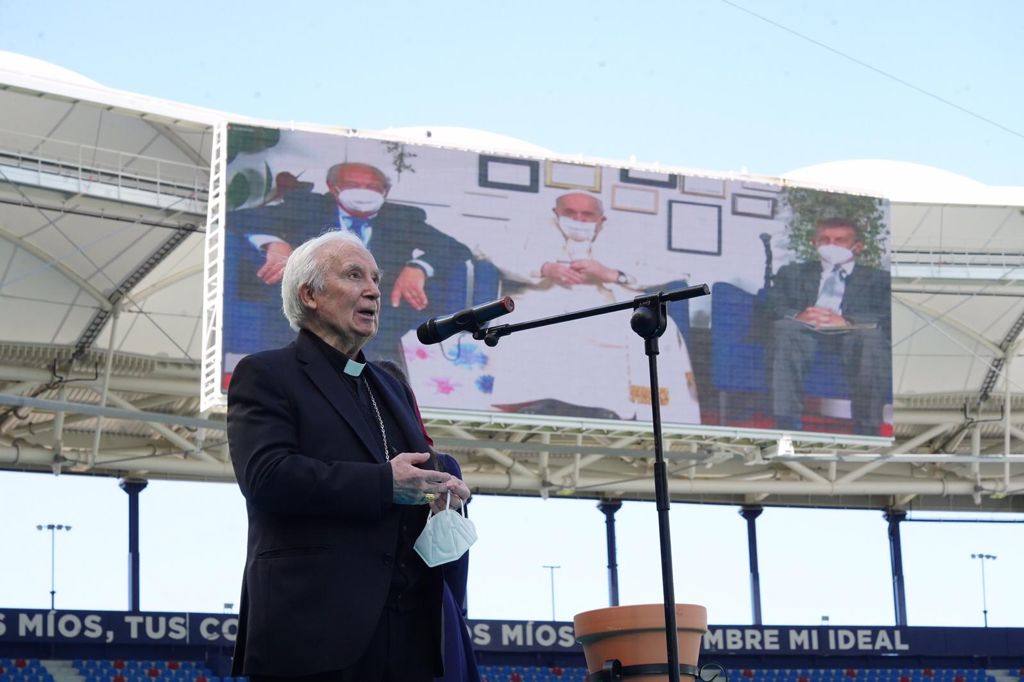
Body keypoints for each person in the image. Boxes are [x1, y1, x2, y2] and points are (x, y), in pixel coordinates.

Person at [227, 230, 471, 681]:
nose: (374, 290)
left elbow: (415, 472)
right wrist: (385, 484)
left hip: (409, 635)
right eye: (354, 275)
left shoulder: (391, 385)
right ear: (310, 294)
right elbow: (266, 477)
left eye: (376, 278)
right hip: (316, 633)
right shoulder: (266, 373)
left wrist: (442, 490)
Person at [482, 192, 700, 423]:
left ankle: (609, 407)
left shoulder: (631, 236)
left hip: (606, 301)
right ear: (556, 214)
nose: (578, 219)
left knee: (628, 332)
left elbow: (675, 270)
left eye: (587, 214)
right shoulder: (528, 227)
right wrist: (544, 268)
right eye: (570, 213)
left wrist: (611, 273)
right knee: (531, 327)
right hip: (543, 297)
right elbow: (491, 252)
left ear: (601, 219)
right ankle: (534, 401)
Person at [228, 161, 472, 366]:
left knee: (379, 395)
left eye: (373, 187)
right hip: (302, 331)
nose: (364, 192)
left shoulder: (401, 218)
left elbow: (455, 248)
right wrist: (274, 244)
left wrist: (418, 267)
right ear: (333, 188)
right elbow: (239, 218)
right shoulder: (308, 207)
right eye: (353, 186)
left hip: (372, 338)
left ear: (385, 192)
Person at [375, 360, 481, 682]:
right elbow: (456, 564)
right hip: (434, 614)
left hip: (376, 617)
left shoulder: (348, 468)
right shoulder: (442, 465)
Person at [765, 217, 891, 435]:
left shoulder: (879, 279)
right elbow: (772, 304)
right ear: (814, 243)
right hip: (805, 331)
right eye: (825, 239)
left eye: (840, 240)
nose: (831, 245)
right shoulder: (792, 272)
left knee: (871, 338)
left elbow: (887, 313)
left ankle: (868, 429)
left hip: (852, 332)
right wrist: (799, 315)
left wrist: (848, 321)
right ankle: (786, 425)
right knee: (785, 329)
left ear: (857, 246)